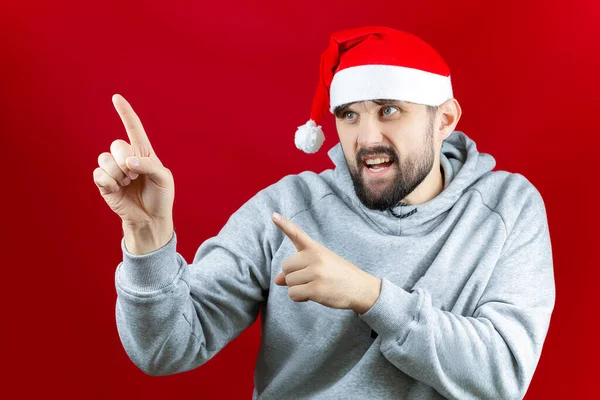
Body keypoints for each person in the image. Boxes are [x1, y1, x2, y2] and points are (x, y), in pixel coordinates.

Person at [93, 26, 555, 399]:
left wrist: (371, 296)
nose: (366, 137)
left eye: (389, 110)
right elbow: (163, 349)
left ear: (446, 119)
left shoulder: (506, 209)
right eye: (349, 115)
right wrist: (147, 238)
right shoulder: (288, 209)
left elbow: (503, 376)